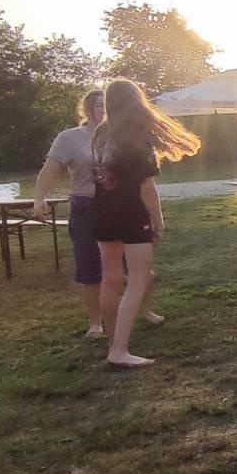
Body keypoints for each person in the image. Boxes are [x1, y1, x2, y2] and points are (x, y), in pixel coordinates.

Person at [34, 90, 163, 338]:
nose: (103, 109)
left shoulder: (126, 136)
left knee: (139, 269)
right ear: (88, 109)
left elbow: (146, 184)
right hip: (87, 206)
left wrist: (155, 216)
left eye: (106, 105)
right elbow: (50, 170)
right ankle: (97, 324)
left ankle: (143, 311)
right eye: (98, 105)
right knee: (93, 270)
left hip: (124, 205)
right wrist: (40, 198)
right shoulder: (70, 138)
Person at [91, 79, 201, 367]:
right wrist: (158, 220)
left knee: (110, 279)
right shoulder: (138, 137)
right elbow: (146, 188)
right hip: (131, 213)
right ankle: (119, 351)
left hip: (102, 211)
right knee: (138, 280)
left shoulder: (100, 134)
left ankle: (114, 342)